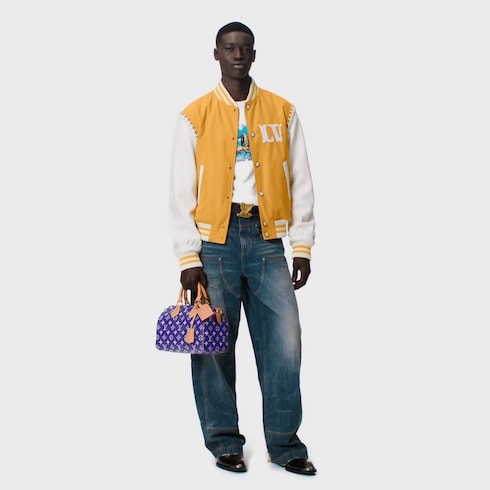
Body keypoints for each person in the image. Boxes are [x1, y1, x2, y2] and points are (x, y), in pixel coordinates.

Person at [168, 21, 317, 476]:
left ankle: (285, 445)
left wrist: (302, 245)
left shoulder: (282, 111)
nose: (237, 55)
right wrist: (188, 255)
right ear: (216, 54)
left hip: (268, 240)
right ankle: (224, 442)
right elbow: (180, 189)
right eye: (229, 48)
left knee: (285, 342)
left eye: (245, 48)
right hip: (214, 243)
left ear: (254, 54)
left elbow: (301, 179)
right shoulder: (194, 116)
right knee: (213, 345)